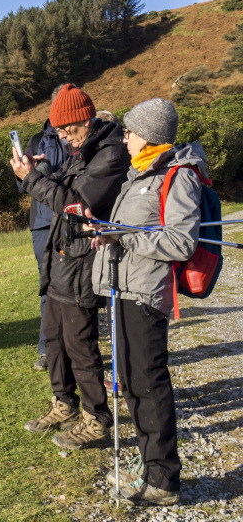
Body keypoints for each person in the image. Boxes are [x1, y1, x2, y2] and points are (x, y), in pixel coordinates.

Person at [91, 98, 203, 506]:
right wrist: (106, 230)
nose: (125, 137)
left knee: (148, 383)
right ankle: (149, 464)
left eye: (130, 132)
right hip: (123, 288)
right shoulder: (141, 173)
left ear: (150, 137)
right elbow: (133, 228)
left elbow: (180, 240)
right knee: (132, 382)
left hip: (146, 292)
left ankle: (163, 481)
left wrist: (121, 236)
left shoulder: (178, 176)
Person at [10, 84, 130, 450]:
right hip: (62, 257)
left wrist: (31, 180)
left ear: (84, 119)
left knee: (80, 342)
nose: (62, 136)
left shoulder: (110, 154)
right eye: (59, 131)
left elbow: (78, 203)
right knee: (55, 338)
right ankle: (64, 404)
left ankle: (97, 420)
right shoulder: (84, 149)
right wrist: (38, 170)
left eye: (66, 130)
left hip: (84, 259)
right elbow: (64, 182)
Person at [17, 85, 71, 372]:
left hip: (74, 218)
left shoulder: (82, 135)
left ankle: (76, 344)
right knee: (49, 284)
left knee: (76, 283)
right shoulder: (38, 139)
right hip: (43, 222)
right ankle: (47, 350)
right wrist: (29, 172)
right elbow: (22, 185)